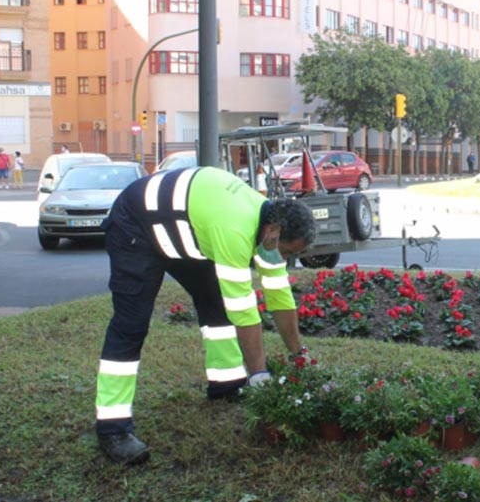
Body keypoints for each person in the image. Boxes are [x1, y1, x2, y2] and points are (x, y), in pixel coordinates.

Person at [94, 166, 317, 465]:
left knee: (216, 302)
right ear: (273, 231)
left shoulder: (269, 229)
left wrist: (298, 354)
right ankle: (113, 428)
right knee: (130, 326)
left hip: (183, 230)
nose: (284, 259)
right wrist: (260, 375)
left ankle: (226, 384)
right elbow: (245, 311)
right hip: (135, 225)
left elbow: (279, 295)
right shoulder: (235, 228)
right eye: (287, 251)